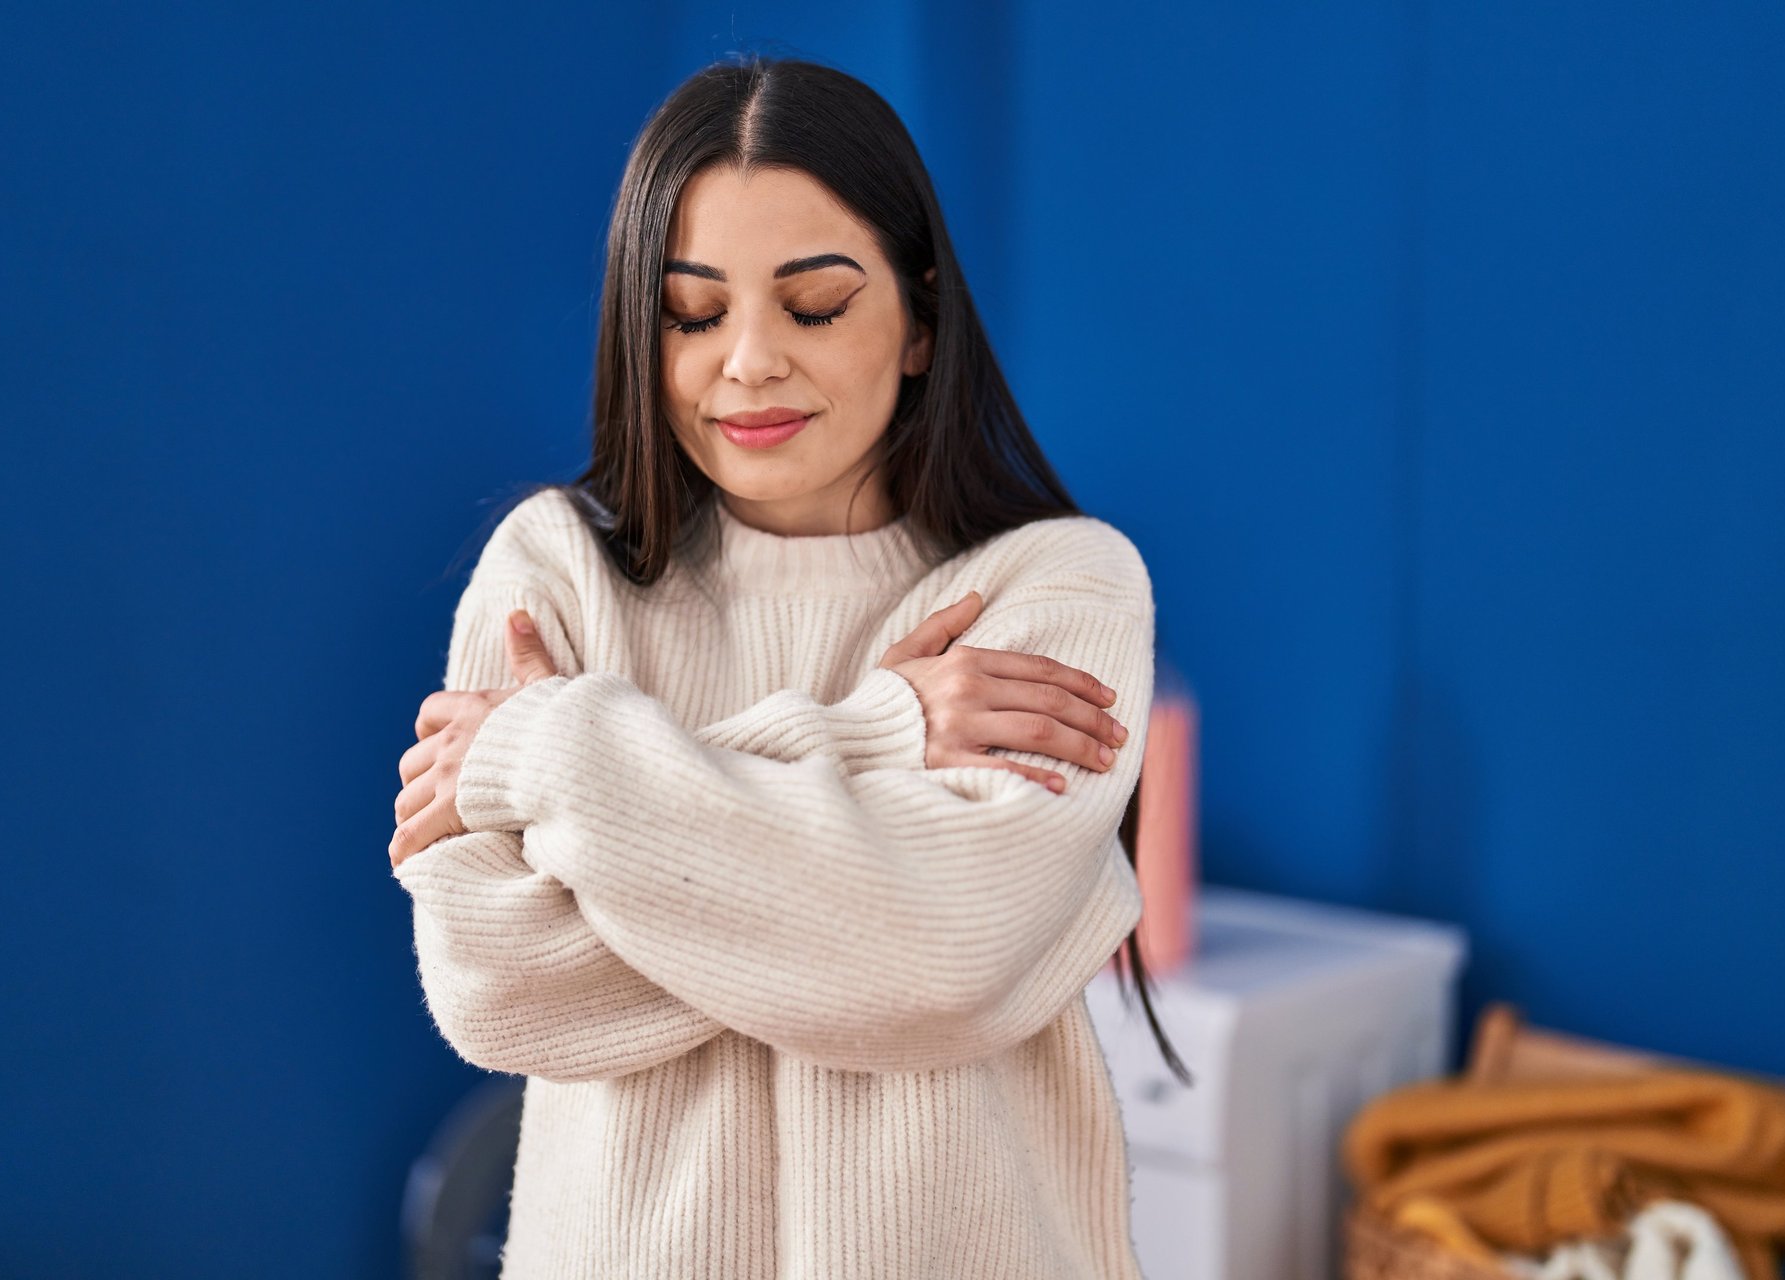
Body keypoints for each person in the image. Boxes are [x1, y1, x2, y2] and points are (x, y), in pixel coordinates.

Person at [386, 53, 1186, 1280]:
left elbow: (939, 964)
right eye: (692, 313)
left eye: (813, 304)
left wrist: (551, 752)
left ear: (919, 322)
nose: (748, 361)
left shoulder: (1058, 589)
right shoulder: (554, 569)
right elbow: (498, 986)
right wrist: (869, 738)